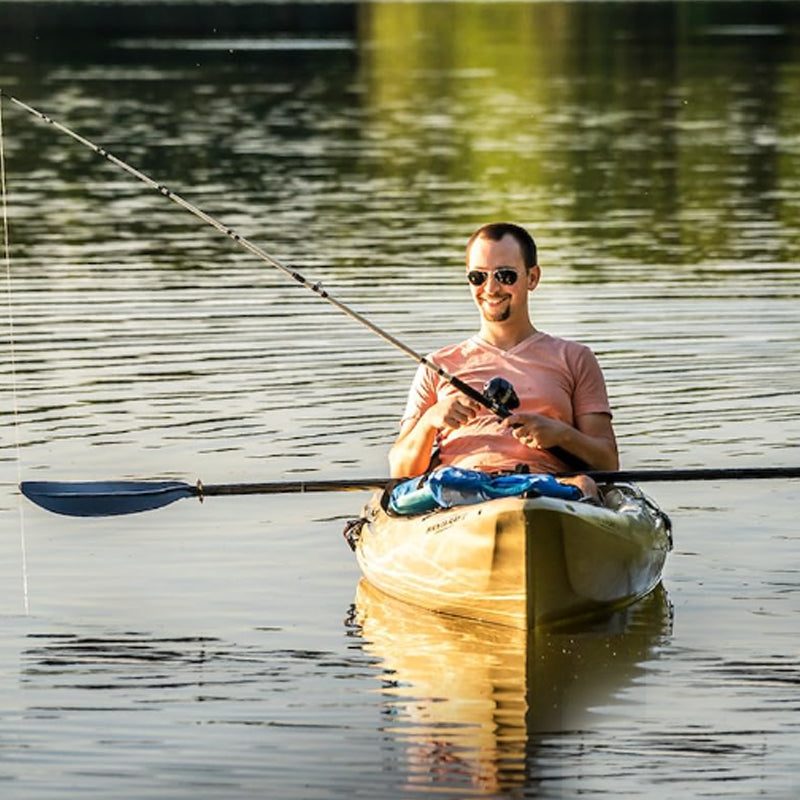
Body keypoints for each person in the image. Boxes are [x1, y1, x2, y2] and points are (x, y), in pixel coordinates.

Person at [388, 222, 618, 495]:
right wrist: (430, 420)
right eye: (478, 277)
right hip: (457, 496)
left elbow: (609, 463)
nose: (491, 288)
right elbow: (400, 471)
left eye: (505, 276)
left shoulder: (576, 359)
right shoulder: (436, 366)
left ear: (532, 278)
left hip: (548, 494)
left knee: (585, 485)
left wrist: (560, 434)